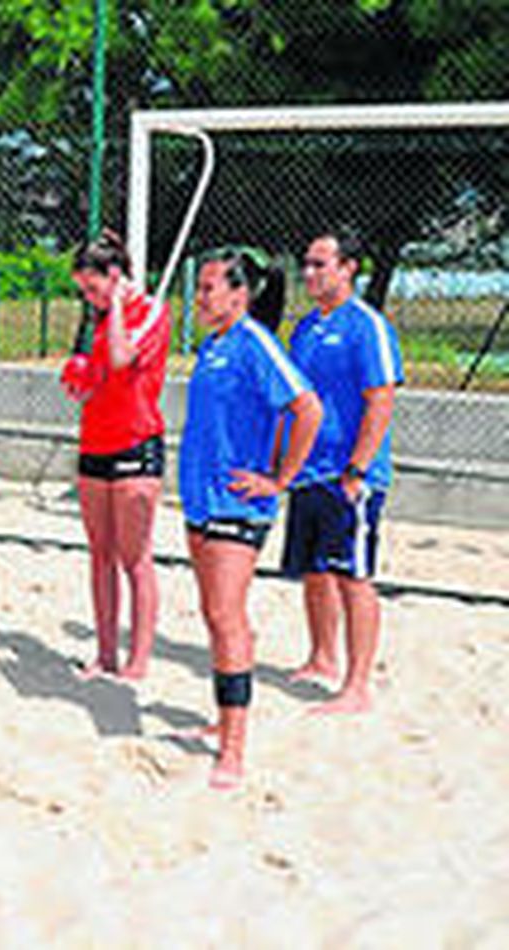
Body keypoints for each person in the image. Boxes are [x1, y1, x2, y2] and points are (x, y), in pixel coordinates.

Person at [180, 247, 323, 789]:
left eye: (209, 288)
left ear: (239, 294)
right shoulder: (213, 344)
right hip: (202, 499)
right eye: (199, 287)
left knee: (226, 615)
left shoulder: (254, 342)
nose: (200, 297)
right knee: (217, 614)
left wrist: (279, 479)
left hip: (237, 503)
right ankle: (223, 720)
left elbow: (307, 408)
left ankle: (234, 750)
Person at [282, 230, 405, 715]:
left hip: (349, 475)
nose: (309, 273)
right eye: (307, 264)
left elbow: (381, 400)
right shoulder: (305, 329)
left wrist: (357, 469)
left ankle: (357, 686)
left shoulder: (367, 326)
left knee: (353, 575)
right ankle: (322, 658)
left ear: (348, 268)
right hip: (309, 471)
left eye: (320, 264)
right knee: (315, 571)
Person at [63, 231, 170, 681]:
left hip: (135, 444)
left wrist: (122, 304)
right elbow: (98, 376)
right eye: (83, 292)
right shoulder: (99, 320)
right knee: (100, 554)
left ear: (115, 276)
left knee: (134, 557)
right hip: (95, 443)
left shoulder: (150, 312)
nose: (89, 299)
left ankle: (138, 660)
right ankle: (106, 653)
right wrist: (79, 379)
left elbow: (123, 357)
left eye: (93, 288)